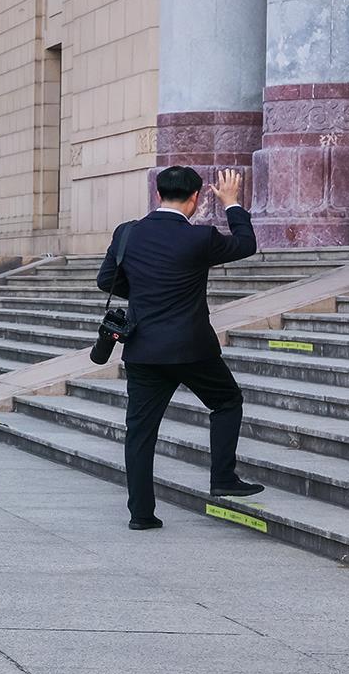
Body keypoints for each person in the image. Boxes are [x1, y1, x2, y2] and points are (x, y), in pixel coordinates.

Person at [101, 165, 264, 530]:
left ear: (158, 195)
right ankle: (223, 478)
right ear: (195, 198)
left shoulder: (127, 233)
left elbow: (105, 280)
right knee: (226, 402)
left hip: (143, 348)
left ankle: (141, 514)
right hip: (192, 348)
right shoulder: (200, 238)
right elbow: (246, 244)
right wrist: (231, 203)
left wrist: (145, 294)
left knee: (140, 432)